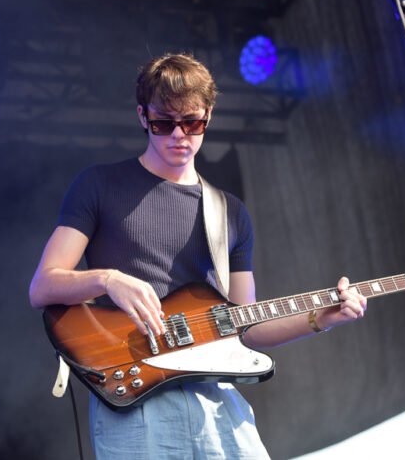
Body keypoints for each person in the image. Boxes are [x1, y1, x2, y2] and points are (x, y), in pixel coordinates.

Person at [29, 53, 367, 459]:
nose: (179, 135)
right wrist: (108, 279)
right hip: (136, 399)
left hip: (215, 398)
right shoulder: (99, 185)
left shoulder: (229, 213)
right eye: (163, 123)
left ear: (208, 116)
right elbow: (43, 286)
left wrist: (320, 318)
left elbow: (247, 325)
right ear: (142, 117)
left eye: (192, 123)